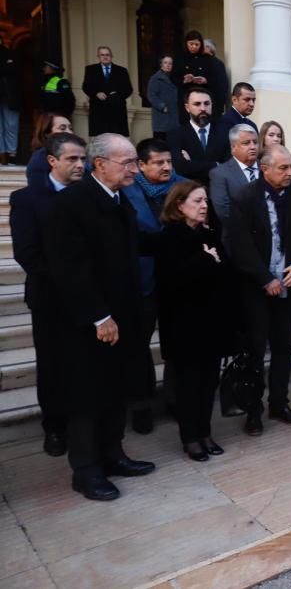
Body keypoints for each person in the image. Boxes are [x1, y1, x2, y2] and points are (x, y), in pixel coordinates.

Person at [43, 133, 156, 501]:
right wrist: (99, 316)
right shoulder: (72, 204)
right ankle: (87, 471)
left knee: (114, 391)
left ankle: (113, 455)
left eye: (135, 162)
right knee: (87, 398)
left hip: (122, 315)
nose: (134, 170)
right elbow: (69, 269)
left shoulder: (119, 200)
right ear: (100, 164)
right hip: (88, 323)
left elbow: (134, 246)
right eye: (128, 163)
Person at [10, 132, 87, 456]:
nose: (80, 165)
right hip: (50, 298)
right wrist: (68, 282)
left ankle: (84, 424)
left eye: (83, 159)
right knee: (53, 364)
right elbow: (27, 253)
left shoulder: (89, 195)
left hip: (89, 299)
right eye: (72, 159)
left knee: (83, 365)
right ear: (52, 161)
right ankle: (54, 427)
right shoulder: (27, 199)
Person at [227, 145, 291, 436]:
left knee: (284, 348)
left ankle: (279, 403)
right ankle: (253, 410)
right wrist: (265, 279)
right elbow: (239, 245)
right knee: (254, 351)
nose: (290, 172)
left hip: (289, 287)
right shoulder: (245, 198)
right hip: (256, 290)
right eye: (283, 168)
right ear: (265, 169)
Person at [156, 181, 235, 461]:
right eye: (197, 201)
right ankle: (190, 438)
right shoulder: (170, 237)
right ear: (179, 205)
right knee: (188, 386)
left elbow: (225, 272)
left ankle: (205, 432)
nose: (204, 206)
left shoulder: (210, 235)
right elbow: (171, 282)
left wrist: (211, 263)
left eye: (205, 202)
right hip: (183, 326)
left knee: (208, 383)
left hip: (210, 322)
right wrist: (204, 261)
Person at [121, 138, 186, 434]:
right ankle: (141, 405)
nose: (166, 167)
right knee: (137, 346)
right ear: (141, 164)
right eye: (159, 162)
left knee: (177, 344)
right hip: (142, 281)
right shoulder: (125, 190)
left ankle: (174, 399)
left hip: (177, 279)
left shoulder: (184, 187)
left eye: (169, 162)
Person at [167, 87, 228, 185]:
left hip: (219, 187)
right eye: (197, 104)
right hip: (190, 190)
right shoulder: (176, 134)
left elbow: (228, 167)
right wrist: (216, 164)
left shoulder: (225, 132)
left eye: (207, 103)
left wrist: (192, 164)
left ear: (211, 105)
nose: (203, 108)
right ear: (187, 107)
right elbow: (180, 168)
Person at [209, 124, 260, 227]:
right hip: (239, 235)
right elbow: (224, 211)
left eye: (255, 142)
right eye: (246, 143)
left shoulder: (267, 167)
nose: (253, 147)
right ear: (233, 148)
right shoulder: (220, 174)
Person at [82, 46, 133, 137]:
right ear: (98, 56)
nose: (105, 57)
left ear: (111, 56)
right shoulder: (90, 69)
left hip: (117, 110)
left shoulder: (122, 70)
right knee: (100, 140)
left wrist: (117, 95)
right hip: (98, 110)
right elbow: (86, 86)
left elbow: (128, 89)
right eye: (102, 55)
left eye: (107, 55)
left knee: (116, 140)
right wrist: (96, 94)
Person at [172, 30, 213, 124]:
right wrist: (184, 80)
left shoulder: (206, 59)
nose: (194, 47)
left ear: (201, 45)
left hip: (202, 94)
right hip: (185, 94)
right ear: (186, 43)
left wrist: (205, 80)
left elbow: (213, 78)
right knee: (185, 122)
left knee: (202, 121)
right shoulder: (179, 58)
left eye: (196, 44)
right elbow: (173, 77)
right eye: (191, 44)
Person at [26, 113, 75, 188]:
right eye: (62, 128)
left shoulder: (78, 153)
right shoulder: (39, 159)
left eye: (70, 128)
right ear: (47, 133)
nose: (69, 132)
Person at [147, 55, 178, 141]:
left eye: (170, 63)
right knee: (161, 146)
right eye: (165, 63)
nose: (168, 65)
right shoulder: (156, 78)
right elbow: (151, 96)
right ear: (161, 64)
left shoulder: (174, 78)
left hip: (174, 118)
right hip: (162, 117)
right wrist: (162, 106)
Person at [0, 38, 20, 165]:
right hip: (9, 94)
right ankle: (3, 156)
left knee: (11, 125)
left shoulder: (11, 54)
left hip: (10, 95)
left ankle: (11, 155)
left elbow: (13, 71)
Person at [202, 39, 230, 117]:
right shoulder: (219, 63)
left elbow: (221, 84)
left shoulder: (215, 63)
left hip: (210, 102)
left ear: (208, 48)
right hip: (215, 104)